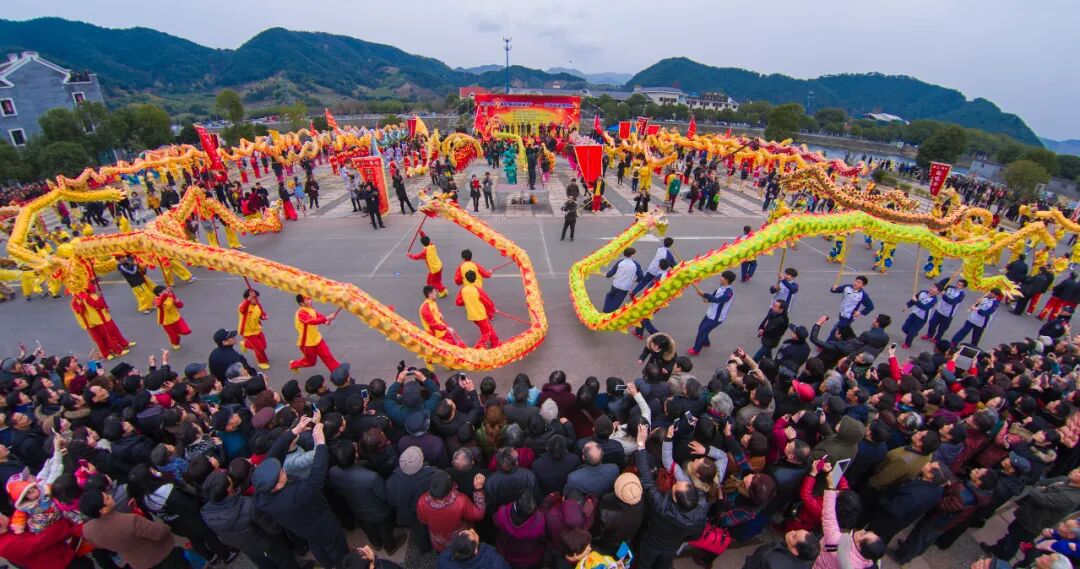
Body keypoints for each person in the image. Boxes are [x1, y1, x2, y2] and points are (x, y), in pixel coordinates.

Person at [252, 420, 349, 569]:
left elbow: (273, 456)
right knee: (336, 546)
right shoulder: (293, 496)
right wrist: (320, 444)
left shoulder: (262, 491)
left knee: (316, 545)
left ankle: (327, 564)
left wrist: (293, 432)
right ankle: (344, 564)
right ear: (277, 486)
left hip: (302, 528)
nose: (283, 470)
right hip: (321, 523)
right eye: (281, 472)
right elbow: (316, 476)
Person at [633, 424, 708, 569]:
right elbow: (695, 536)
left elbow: (647, 480)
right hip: (672, 546)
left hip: (652, 542)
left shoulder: (661, 506)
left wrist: (640, 444)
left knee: (643, 563)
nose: (676, 483)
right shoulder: (699, 517)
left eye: (675, 487)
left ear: (675, 498)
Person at [80, 489, 191, 569]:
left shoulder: (87, 530)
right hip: (162, 555)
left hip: (139, 564)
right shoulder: (130, 521)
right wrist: (166, 526)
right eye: (107, 498)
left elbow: (99, 545)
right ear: (103, 510)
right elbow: (160, 533)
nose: (110, 496)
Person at [416, 470, 486, 552]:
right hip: (459, 541)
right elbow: (479, 515)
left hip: (439, 542)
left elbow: (423, 520)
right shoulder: (461, 501)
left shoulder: (422, 501)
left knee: (442, 554)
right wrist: (478, 490)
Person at [289, 294, 341, 373]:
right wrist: (326, 318)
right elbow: (311, 321)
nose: (311, 300)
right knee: (311, 362)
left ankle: (339, 373)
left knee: (328, 357)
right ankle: (294, 364)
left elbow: (319, 316)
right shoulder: (301, 313)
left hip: (317, 339)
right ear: (302, 303)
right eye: (308, 299)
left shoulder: (311, 309)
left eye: (310, 298)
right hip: (307, 344)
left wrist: (326, 321)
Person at [688, 270, 736, 356]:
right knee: (702, 328)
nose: (720, 278)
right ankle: (706, 342)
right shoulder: (720, 288)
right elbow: (713, 297)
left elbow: (719, 300)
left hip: (717, 318)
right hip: (710, 313)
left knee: (702, 330)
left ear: (727, 280)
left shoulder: (729, 292)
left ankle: (696, 350)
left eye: (722, 277)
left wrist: (705, 294)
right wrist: (707, 299)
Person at [456, 271, 499, 349]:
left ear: (466, 279)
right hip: (480, 315)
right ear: (475, 278)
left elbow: (458, 302)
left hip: (471, 316)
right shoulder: (478, 290)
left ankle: (486, 345)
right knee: (488, 332)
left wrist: (467, 301)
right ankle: (482, 347)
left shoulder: (463, 290)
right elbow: (487, 301)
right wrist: (493, 309)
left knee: (484, 329)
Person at [437, 528, 511, 569]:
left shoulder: (443, 559)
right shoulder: (496, 562)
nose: (472, 529)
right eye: (473, 533)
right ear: (475, 550)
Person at [829, 276, 875, 340]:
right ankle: (853, 340)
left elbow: (870, 306)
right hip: (842, 313)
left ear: (863, 286)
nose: (856, 283)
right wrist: (833, 288)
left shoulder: (863, 295)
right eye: (856, 281)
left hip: (849, 316)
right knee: (844, 329)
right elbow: (837, 290)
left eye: (859, 283)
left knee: (836, 330)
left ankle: (826, 343)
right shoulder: (847, 287)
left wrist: (860, 312)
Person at [237, 288, 271, 370]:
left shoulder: (257, 305)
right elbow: (242, 309)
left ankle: (245, 344)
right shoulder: (243, 306)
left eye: (257, 298)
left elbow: (261, 313)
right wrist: (249, 298)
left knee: (263, 345)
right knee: (259, 348)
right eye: (254, 298)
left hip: (257, 329)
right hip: (247, 332)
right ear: (248, 298)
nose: (257, 300)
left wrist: (264, 316)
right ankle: (261, 362)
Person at [603, 248, 643, 313]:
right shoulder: (636, 264)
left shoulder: (620, 262)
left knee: (610, 295)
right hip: (625, 287)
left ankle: (605, 310)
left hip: (616, 284)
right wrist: (636, 280)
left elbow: (612, 272)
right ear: (632, 255)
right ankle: (610, 313)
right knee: (617, 300)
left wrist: (607, 275)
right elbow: (641, 276)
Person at [408, 233, 448, 298]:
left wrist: (410, 255)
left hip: (435, 269)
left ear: (422, 243)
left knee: (434, 282)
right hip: (438, 266)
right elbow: (425, 238)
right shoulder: (432, 245)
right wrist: (421, 233)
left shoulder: (425, 252)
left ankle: (443, 291)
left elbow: (416, 257)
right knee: (429, 280)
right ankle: (432, 288)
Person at [901, 283, 940, 348]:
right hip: (914, 313)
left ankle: (907, 344)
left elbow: (925, 307)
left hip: (922, 318)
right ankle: (913, 334)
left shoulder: (934, 300)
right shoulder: (922, 292)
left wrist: (916, 301)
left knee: (911, 332)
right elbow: (913, 299)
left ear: (938, 292)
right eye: (932, 286)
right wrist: (907, 306)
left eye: (934, 288)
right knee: (905, 328)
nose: (931, 288)